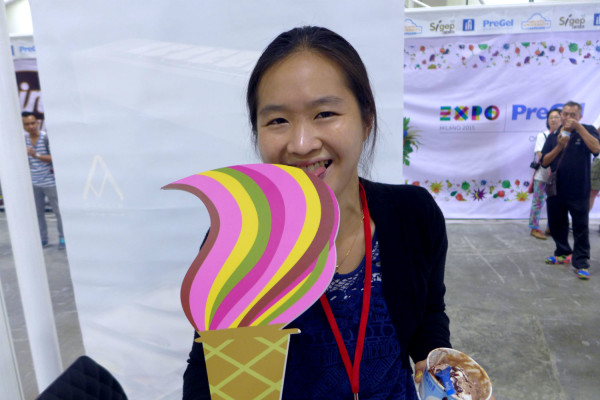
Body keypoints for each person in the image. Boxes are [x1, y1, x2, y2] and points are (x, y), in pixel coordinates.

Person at [182, 26, 456, 399]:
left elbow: (428, 311)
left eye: (325, 113)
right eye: (277, 120)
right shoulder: (241, 242)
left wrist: (433, 359)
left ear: (366, 120)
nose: (301, 144)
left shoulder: (414, 215)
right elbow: (209, 374)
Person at [541, 101, 600, 280]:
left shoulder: (588, 130)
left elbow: (596, 148)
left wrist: (578, 128)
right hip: (556, 189)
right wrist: (559, 146)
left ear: (580, 116)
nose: (568, 118)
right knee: (557, 223)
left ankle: (581, 262)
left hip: (579, 189)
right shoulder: (554, 135)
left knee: (580, 227)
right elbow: (544, 162)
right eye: (565, 114)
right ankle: (562, 252)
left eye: (573, 115)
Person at [22, 111, 65, 249]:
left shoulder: (46, 138)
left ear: (38, 122)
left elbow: (54, 158)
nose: (31, 126)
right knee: (38, 214)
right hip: (34, 183)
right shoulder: (23, 141)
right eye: (27, 124)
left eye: (33, 123)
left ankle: (63, 238)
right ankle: (42, 239)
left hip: (50, 182)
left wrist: (36, 155)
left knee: (58, 212)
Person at [528, 109, 561, 240]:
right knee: (538, 201)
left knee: (555, 203)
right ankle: (534, 228)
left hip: (558, 176)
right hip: (543, 175)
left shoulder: (566, 136)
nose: (553, 120)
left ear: (562, 119)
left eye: (556, 117)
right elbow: (541, 155)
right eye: (550, 117)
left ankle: (550, 227)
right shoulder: (543, 135)